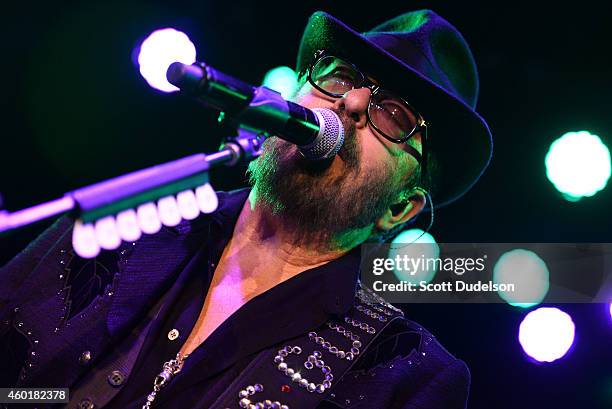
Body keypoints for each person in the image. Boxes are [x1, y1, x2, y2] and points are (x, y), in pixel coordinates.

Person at [0, 9, 492, 409]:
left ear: (401, 209)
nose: (353, 102)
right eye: (341, 76)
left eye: (394, 114)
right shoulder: (119, 224)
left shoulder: (408, 373)